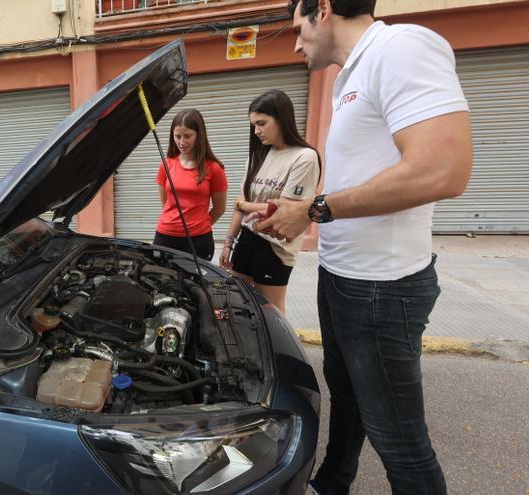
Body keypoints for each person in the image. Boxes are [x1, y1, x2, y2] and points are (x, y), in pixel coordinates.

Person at [257, 1, 473, 494]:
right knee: (349, 404)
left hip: (382, 290)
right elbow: (369, 175)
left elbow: (444, 169)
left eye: (297, 28)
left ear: (324, 9)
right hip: (345, 277)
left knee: (398, 440)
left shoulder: (400, 48)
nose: (296, 43)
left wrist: (314, 211)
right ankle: (332, 484)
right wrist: (302, 207)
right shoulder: (353, 73)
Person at [218, 89, 320, 314]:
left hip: (275, 246)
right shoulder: (257, 156)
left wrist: (244, 205)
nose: (256, 131)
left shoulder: (304, 157)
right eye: (254, 125)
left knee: (270, 312)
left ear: (281, 118)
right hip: (247, 239)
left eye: (262, 123)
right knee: (238, 305)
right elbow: (241, 203)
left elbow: (283, 211)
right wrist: (228, 243)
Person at [153, 108, 227, 261]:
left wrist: (199, 224)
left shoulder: (214, 168)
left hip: (198, 240)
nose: (182, 142)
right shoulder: (166, 164)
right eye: (177, 136)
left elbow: (220, 209)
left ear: (199, 135)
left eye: (187, 136)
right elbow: (166, 203)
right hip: (165, 236)